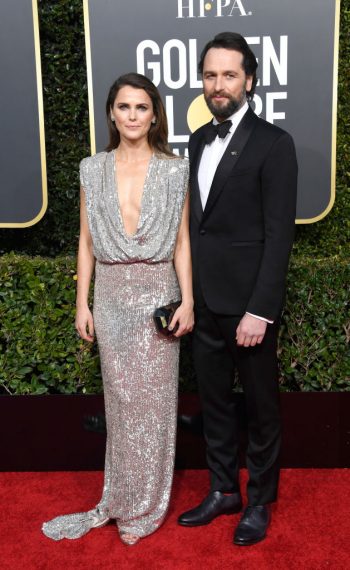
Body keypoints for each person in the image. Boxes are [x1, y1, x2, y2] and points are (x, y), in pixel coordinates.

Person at [42, 73, 194, 546]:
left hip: (157, 295)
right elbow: (86, 242)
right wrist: (80, 301)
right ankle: (121, 496)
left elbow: (182, 242)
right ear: (111, 112)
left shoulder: (175, 170)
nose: (132, 115)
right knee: (124, 405)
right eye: (124, 107)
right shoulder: (92, 168)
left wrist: (188, 299)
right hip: (109, 296)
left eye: (141, 108)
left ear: (154, 116)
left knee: (155, 406)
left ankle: (146, 505)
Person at [178, 32, 297, 546]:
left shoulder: (274, 143)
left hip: (248, 308)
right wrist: (186, 295)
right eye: (209, 75)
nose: (218, 84)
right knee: (216, 404)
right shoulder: (198, 140)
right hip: (202, 301)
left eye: (228, 74)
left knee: (262, 409)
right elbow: (196, 226)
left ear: (249, 79)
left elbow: (279, 236)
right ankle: (224, 489)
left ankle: (259, 502)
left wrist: (261, 310)